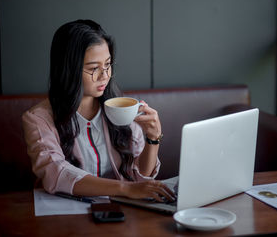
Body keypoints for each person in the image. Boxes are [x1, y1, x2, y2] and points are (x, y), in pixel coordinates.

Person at [22, 19, 175, 202]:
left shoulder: (121, 108)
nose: (105, 76)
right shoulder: (38, 119)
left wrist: (153, 139)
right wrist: (125, 188)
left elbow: (139, 180)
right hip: (64, 215)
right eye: (94, 68)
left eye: (108, 64)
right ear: (68, 69)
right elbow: (56, 173)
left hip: (120, 211)